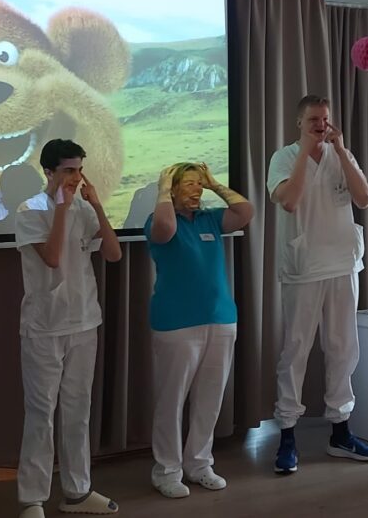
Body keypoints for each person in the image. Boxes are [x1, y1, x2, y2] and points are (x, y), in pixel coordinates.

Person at [266, 95, 368, 474]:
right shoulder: (283, 158)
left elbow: (365, 198)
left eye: (325, 119)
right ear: (299, 123)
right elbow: (289, 201)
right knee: (296, 349)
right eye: (313, 119)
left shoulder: (340, 155)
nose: (320, 125)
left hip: (343, 264)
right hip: (304, 267)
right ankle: (287, 435)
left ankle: (340, 432)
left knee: (343, 347)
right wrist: (305, 153)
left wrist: (341, 151)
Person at [15, 139, 123, 518]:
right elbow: (52, 257)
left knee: (78, 410)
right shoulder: (30, 209)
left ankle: (77, 492)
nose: (76, 178)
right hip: (44, 327)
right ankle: (32, 499)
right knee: (41, 413)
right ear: (49, 172)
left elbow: (113, 253)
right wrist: (61, 208)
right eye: (68, 171)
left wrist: (96, 205)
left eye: (79, 170)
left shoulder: (83, 208)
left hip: (84, 322)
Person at [143, 162, 253, 498]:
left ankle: (199, 463)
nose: (197, 189)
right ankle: (166, 470)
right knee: (172, 400)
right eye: (188, 184)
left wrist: (216, 184)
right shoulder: (158, 220)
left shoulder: (210, 219)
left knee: (210, 398)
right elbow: (165, 227)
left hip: (221, 319)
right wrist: (163, 190)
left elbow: (245, 212)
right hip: (176, 323)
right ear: (173, 189)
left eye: (198, 183)